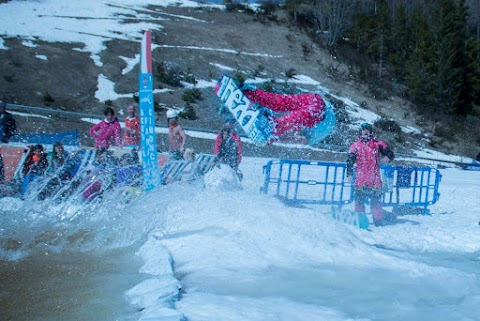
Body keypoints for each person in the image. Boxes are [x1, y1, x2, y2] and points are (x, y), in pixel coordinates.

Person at [238, 83, 333, 143]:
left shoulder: (321, 129)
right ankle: (273, 127)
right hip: (320, 112)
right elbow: (298, 138)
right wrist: (274, 137)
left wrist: (277, 137)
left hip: (315, 99)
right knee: (294, 120)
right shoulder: (312, 136)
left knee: (283, 102)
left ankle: (251, 93)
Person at [346, 123, 395, 226]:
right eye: (364, 129)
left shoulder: (378, 144)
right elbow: (350, 161)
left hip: (374, 179)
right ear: (360, 132)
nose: (366, 131)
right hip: (361, 179)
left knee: (376, 202)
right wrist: (349, 174)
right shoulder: (355, 146)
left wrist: (383, 160)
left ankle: (378, 220)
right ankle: (359, 219)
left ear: (371, 132)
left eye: (367, 129)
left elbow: (391, 154)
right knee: (359, 201)